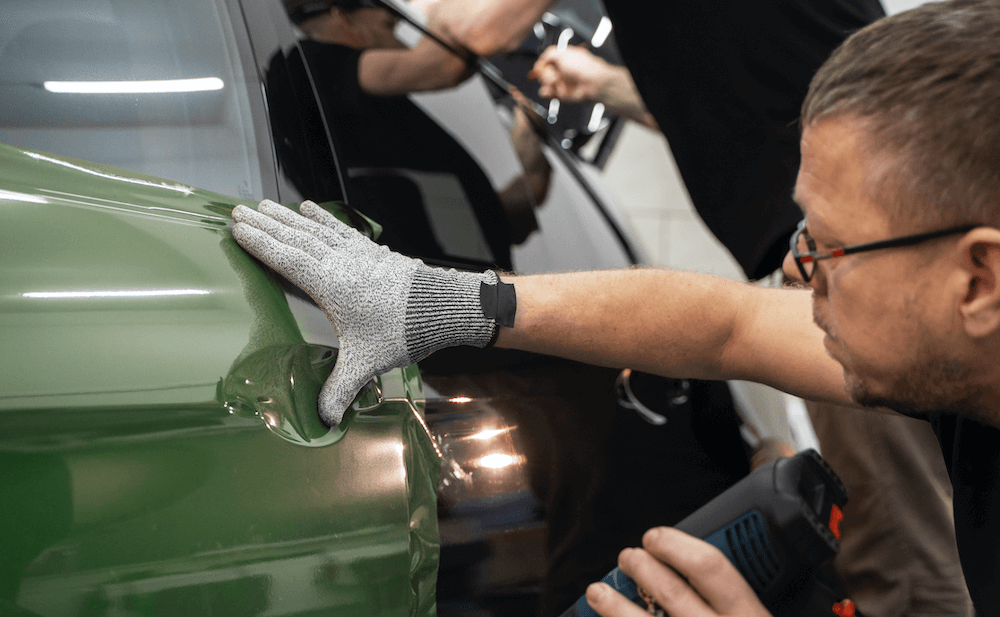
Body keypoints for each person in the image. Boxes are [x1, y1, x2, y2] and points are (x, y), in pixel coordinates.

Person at [232, 1, 1000, 613]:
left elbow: (462, 31)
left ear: (978, 278)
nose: (796, 270)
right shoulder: (962, 351)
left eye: (829, 248)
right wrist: (436, 300)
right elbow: (727, 327)